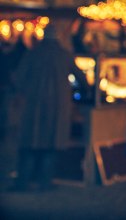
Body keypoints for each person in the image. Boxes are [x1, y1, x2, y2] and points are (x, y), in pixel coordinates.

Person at [11, 24, 88, 191]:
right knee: (51, 146)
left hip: (33, 107)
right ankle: (44, 184)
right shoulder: (64, 55)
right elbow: (81, 79)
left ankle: (22, 183)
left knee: (30, 144)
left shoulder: (33, 53)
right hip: (57, 109)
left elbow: (18, 78)